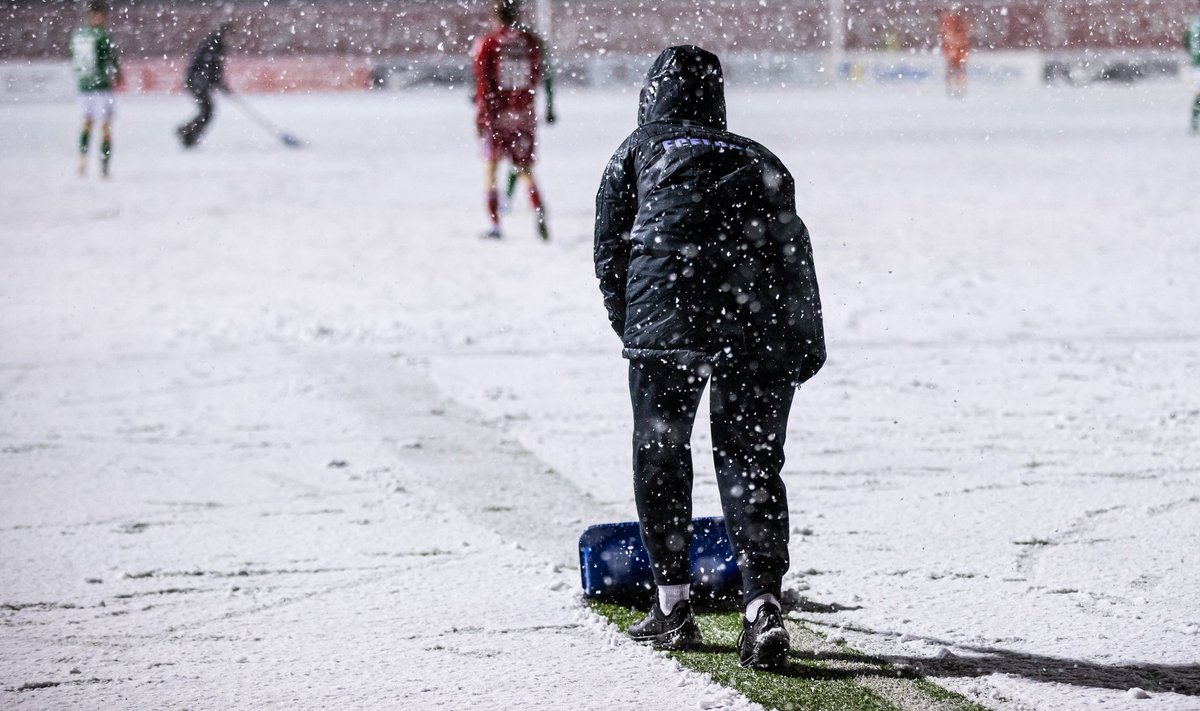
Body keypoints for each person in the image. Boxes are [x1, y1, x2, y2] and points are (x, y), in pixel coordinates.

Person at [593, 46, 825, 669]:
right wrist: (807, 340)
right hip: (759, 321)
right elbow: (794, 250)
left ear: (651, 94)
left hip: (666, 317)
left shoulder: (635, 154)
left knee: (661, 452)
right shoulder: (758, 157)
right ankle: (762, 607)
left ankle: (672, 606)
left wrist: (640, 332)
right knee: (750, 462)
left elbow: (610, 254)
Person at [471, 0, 553, 240]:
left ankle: (496, 226)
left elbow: (483, 85)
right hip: (523, 115)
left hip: (497, 117)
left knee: (491, 169)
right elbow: (538, 75)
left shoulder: (487, 43)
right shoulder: (531, 42)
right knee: (525, 169)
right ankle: (538, 209)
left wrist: (481, 117)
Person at [69, 0, 121, 178]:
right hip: (100, 86)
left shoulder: (78, 34)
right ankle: (104, 167)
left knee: (87, 123)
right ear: (99, 14)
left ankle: (82, 161)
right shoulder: (102, 35)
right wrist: (117, 75)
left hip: (83, 86)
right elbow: (111, 60)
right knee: (105, 126)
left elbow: (73, 57)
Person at [177, 22, 234, 148]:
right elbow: (211, 66)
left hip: (197, 80)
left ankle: (187, 132)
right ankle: (188, 134)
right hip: (198, 81)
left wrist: (217, 82)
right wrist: (217, 82)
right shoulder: (215, 45)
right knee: (207, 111)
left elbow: (211, 67)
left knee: (206, 110)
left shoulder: (213, 43)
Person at [938, 8, 970, 98]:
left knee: (959, 70)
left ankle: (959, 87)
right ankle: (952, 87)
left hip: (958, 53)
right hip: (954, 53)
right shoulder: (948, 30)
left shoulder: (959, 29)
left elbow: (963, 41)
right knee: (953, 70)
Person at [1186, 13, 1200, 134]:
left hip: (1197, 65)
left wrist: (1194, 56)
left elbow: (1186, 42)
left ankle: (1194, 122)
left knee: (1198, 94)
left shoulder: (1194, 24)